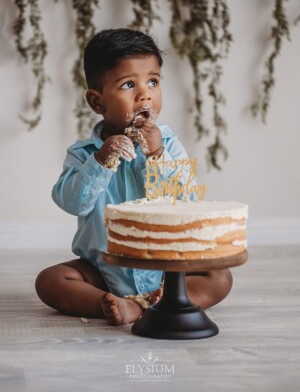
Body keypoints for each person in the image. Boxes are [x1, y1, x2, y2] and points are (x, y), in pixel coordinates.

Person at [35, 28, 233, 325]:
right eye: (128, 84)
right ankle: (109, 302)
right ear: (97, 102)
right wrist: (101, 161)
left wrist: (156, 157)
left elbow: (186, 203)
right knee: (50, 281)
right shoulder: (84, 153)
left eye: (153, 81)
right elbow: (73, 203)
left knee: (219, 276)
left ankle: (147, 304)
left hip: (165, 267)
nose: (145, 94)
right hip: (102, 267)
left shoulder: (169, 145)